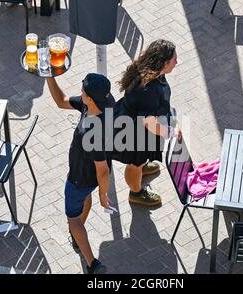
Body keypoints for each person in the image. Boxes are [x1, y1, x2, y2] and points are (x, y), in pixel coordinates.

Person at [46, 73, 115, 274]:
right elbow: (61, 101)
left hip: (79, 179)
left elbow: (102, 170)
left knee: (73, 219)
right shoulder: (104, 104)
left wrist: (104, 195)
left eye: (83, 91)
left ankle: (92, 263)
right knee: (86, 199)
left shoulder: (91, 132)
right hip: (89, 179)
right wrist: (49, 76)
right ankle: (78, 235)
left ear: (90, 98)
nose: (80, 93)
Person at [111, 39, 181, 206]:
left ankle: (142, 167)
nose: (177, 62)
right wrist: (172, 133)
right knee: (135, 163)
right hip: (135, 134)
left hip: (134, 122)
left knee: (140, 162)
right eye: (174, 60)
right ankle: (136, 193)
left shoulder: (148, 70)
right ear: (163, 63)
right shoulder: (148, 90)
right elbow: (149, 123)